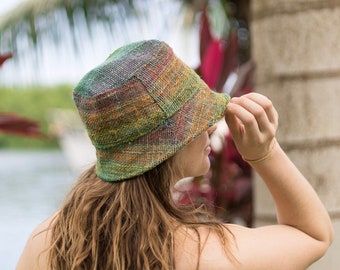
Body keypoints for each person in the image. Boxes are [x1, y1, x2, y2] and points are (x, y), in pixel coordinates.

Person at [16, 40, 333, 270]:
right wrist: (265, 153)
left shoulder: (48, 241)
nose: (210, 126)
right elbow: (312, 235)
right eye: (195, 119)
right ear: (169, 144)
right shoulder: (205, 252)